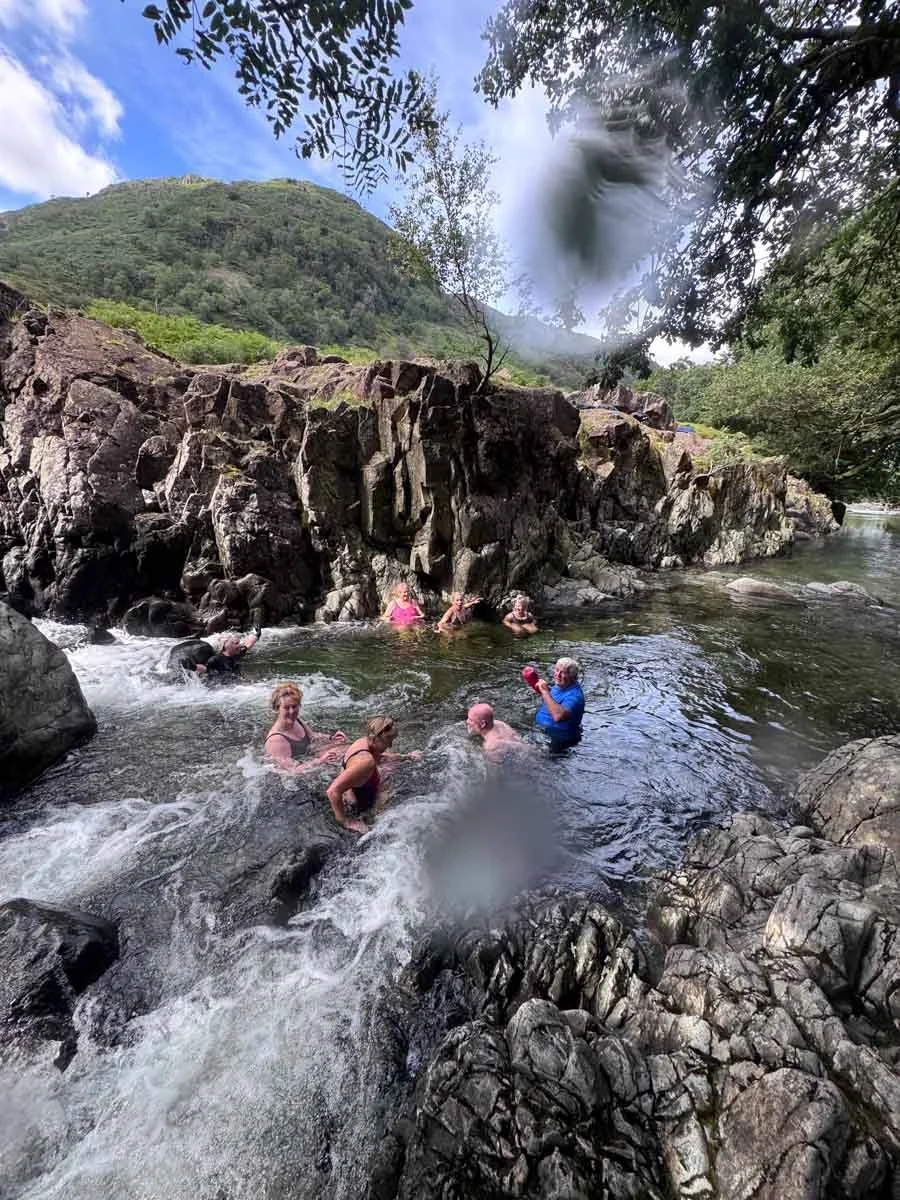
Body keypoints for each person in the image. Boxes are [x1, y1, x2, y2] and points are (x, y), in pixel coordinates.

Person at [325, 716, 420, 833]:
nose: (390, 746)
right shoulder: (366, 761)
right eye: (388, 741)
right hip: (361, 805)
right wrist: (346, 821)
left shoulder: (363, 742)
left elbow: (380, 756)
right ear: (376, 739)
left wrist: (406, 757)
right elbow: (332, 791)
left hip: (359, 792)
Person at [264, 682, 347, 772]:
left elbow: (313, 737)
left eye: (294, 706)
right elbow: (292, 771)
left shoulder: (296, 720)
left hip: (307, 759)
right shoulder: (276, 741)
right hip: (295, 778)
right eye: (286, 708)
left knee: (344, 750)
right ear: (277, 709)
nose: (291, 711)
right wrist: (320, 761)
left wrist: (332, 738)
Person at [531, 657, 585, 747]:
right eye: (556, 670)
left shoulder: (575, 696)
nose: (558, 675)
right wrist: (542, 689)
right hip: (542, 732)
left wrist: (545, 692)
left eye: (563, 672)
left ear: (573, 677)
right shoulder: (561, 685)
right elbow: (555, 700)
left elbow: (558, 716)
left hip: (557, 739)